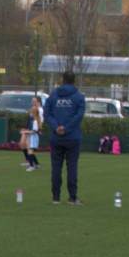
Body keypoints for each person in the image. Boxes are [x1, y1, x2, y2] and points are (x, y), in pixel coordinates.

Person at [44, 72, 85, 203]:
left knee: (56, 167)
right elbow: (79, 116)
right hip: (73, 137)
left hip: (56, 137)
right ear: (74, 80)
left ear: (62, 80)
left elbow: (47, 114)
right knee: (72, 167)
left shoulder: (53, 95)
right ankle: (72, 197)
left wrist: (56, 127)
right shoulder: (79, 97)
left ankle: (55, 197)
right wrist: (66, 128)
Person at [23, 94, 43, 171]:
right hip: (31, 136)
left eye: (32, 111)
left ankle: (32, 166)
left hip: (33, 137)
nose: (30, 112)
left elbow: (35, 131)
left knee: (30, 150)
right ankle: (36, 165)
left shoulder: (35, 121)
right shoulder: (34, 120)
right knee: (29, 150)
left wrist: (26, 131)